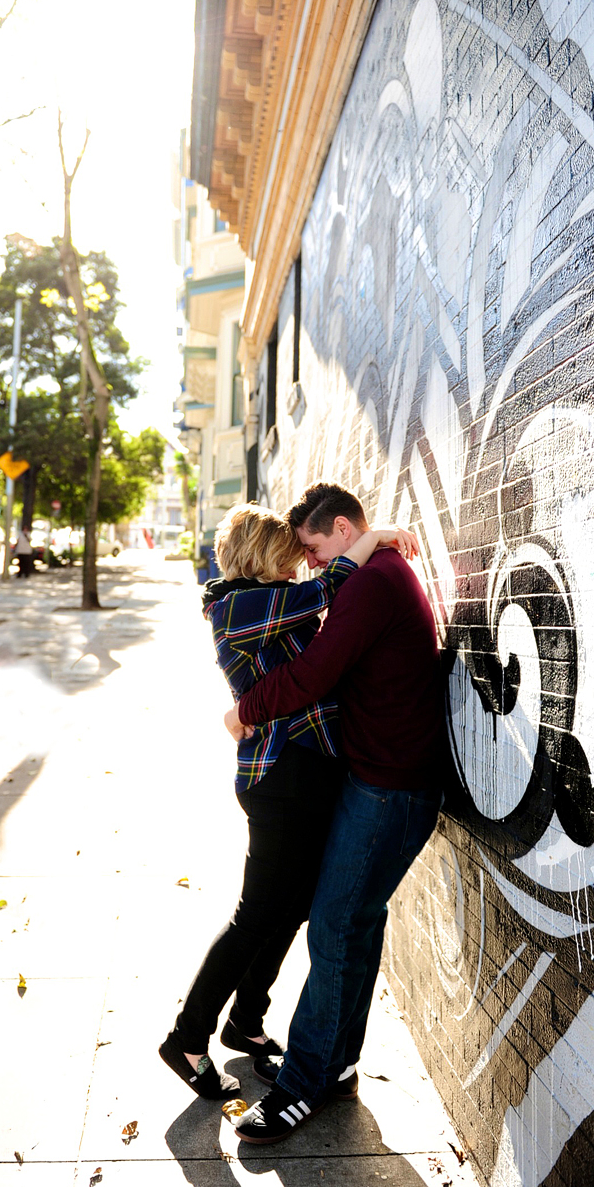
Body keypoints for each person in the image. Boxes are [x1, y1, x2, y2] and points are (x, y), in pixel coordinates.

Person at [159, 502, 416, 1101]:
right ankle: (187, 1037)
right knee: (258, 913)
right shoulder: (238, 606)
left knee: (293, 906)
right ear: (261, 552)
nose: (299, 560)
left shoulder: (266, 601)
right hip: (279, 778)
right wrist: (373, 535)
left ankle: (246, 1021)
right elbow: (326, 589)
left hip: (303, 772)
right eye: (288, 550)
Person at [224, 483, 446, 1144]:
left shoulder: (374, 583)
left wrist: (245, 710)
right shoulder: (372, 570)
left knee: (333, 928)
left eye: (316, 549)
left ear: (343, 529)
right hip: (384, 782)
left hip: (390, 790)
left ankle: (300, 1087)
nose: (314, 563)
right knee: (354, 926)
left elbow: (315, 671)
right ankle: (336, 1066)